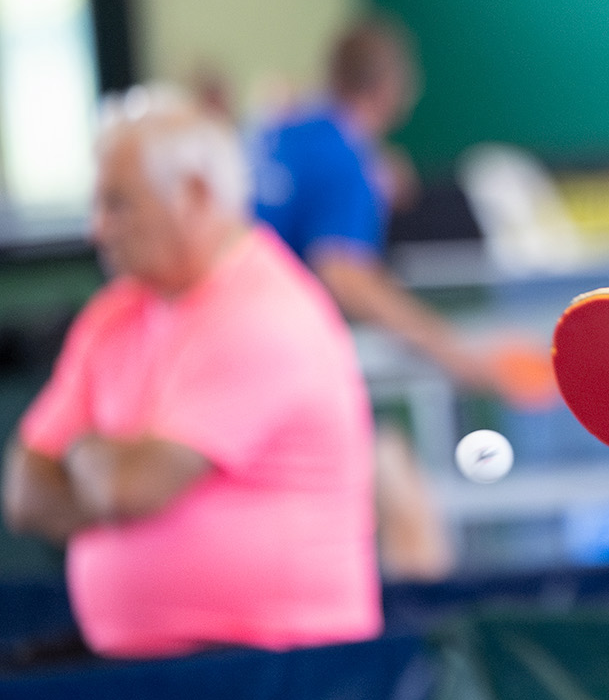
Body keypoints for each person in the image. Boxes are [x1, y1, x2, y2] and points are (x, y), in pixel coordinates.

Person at [2, 89, 381, 657]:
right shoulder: (113, 315)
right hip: (144, 667)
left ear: (195, 194)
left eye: (118, 204)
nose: (97, 229)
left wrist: (82, 452)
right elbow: (24, 492)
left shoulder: (263, 312)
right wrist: (112, 488)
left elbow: (131, 485)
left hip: (276, 671)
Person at [252, 17, 549, 400]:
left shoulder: (285, 130)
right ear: (391, 86)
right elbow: (345, 276)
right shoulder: (345, 156)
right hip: (266, 347)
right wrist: (458, 356)